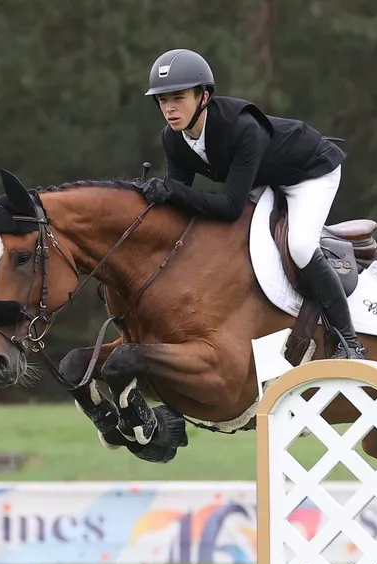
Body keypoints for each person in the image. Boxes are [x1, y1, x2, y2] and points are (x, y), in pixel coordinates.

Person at [140, 48, 363, 359]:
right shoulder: (173, 138)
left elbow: (229, 206)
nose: (169, 108)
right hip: (266, 180)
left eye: (178, 97)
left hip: (309, 173)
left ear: (203, 97)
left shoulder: (241, 126)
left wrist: (170, 192)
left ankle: (350, 343)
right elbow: (179, 200)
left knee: (300, 246)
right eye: (163, 100)